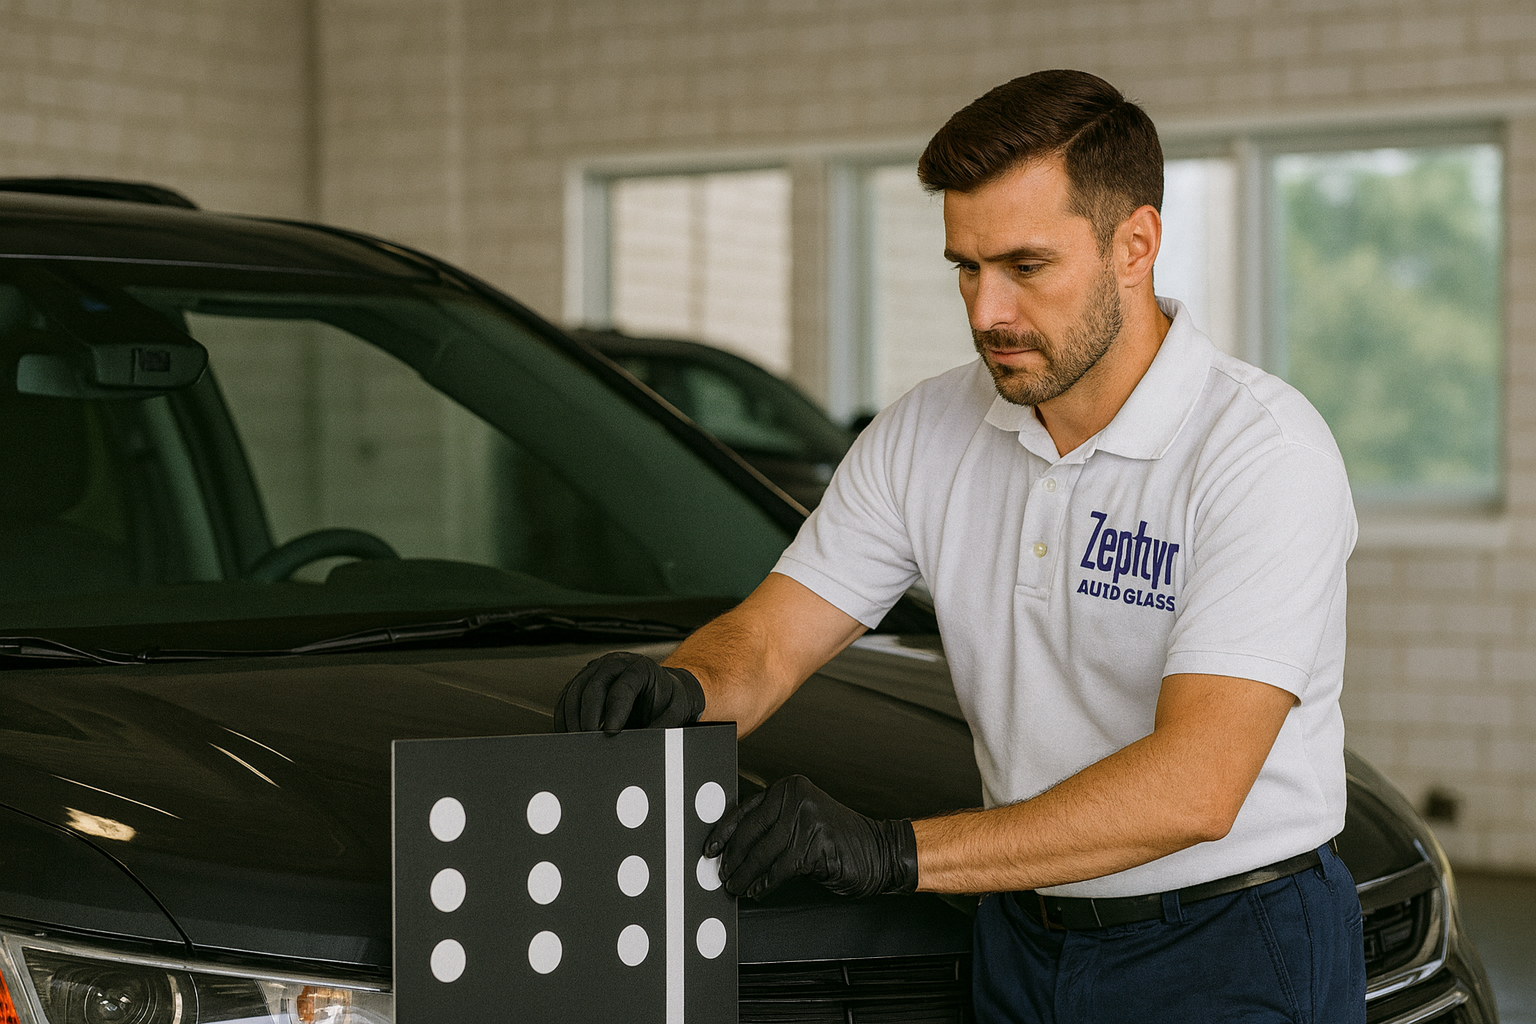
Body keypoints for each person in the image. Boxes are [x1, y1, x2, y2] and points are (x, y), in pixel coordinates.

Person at [556, 69, 1367, 1022]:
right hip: (1021, 935)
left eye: (1025, 267)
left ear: (1135, 246)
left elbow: (1196, 787)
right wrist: (686, 685)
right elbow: (772, 640)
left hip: (1228, 943)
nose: (987, 313)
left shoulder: (1259, 452)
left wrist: (890, 853)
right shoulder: (927, 429)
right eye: (966, 269)